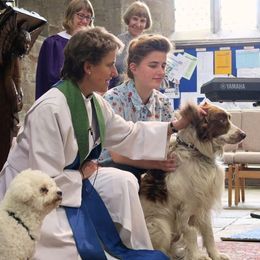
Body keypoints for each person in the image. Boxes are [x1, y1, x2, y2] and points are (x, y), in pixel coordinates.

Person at [0, 27, 199, 259]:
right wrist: (80, 175)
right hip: (31, 194)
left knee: (123, 181)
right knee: (65, 246)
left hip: (73, 176)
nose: (115, 72)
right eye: (109, 64)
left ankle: (134, 246)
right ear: (88, 67)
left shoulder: (95, 102)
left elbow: (128, 134)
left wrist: (176, 126)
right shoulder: (50, 109)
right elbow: (44, 179)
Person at [100, 34, 177, 182]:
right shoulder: (113, 99)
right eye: (153, 65)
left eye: (163, 65)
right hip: (116, 169)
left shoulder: (164, 102)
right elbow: (117, 155)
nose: (161, 72)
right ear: (133, 68)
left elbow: (170, 143)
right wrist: (156, 164)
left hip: (152, 166)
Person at [35, 0, 94, 99]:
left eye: (88, 17)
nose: (84, 21)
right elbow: (43, 81)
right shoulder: (52, 44)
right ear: (70, 16)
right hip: (56, 102)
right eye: (80, 16)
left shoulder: (93, 46)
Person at [109, 1, 152, 89]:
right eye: (135, 19)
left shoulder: (150, 45)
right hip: (119, 92)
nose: (138, 24)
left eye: (142, 21)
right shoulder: (117, 42)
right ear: (128, 19)